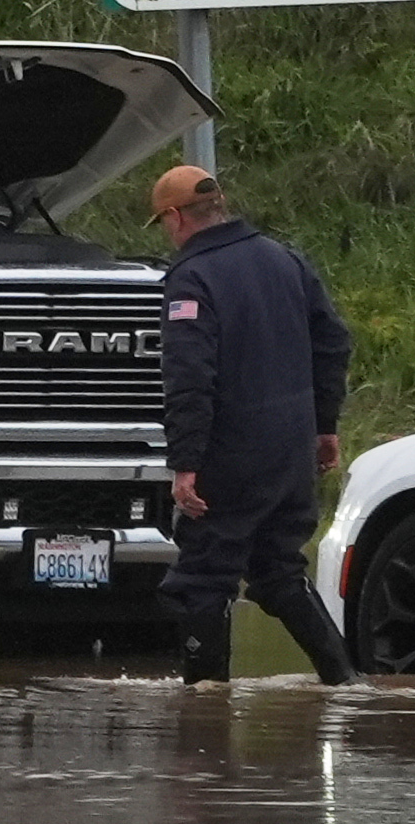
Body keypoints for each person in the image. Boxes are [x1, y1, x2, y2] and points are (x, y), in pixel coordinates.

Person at [150, 161, 355, 687]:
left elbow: (190, 377)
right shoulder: (285, 260)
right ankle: (346, 683)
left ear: (175, 217)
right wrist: (324, 426)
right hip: (291, 455)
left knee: (204, 577)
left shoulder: (191, 278)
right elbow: (333, 340)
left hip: (231, 456)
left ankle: (204, 710)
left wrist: (186, 463)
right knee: (278, 569)